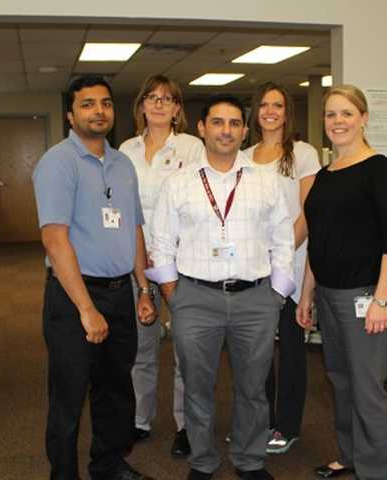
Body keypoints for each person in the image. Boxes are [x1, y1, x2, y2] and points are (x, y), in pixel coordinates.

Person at [147, 93, 295, 480]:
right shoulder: (178, 183)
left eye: (233, 123)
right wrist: (173, 296)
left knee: (253, 388)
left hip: (255, 298)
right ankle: (203, 462)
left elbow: (283, 240)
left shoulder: (266, 182)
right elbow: (160, 243)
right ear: (201, 128)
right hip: (194, 298)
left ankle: (249, 460)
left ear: (244, 131)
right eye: (217, 122)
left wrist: (276, 294)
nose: (225, 131)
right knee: (197, 387)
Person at [33, 74, 157, 480]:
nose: (99, 110)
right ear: (71, 114)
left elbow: (133, 229)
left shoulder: (123, 164)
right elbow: (54, 239)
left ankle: (107, 466)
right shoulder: (57, 162)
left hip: (122, 292)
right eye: (87, 104)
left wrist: (143, 289)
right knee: (69, 397)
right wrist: (86, 309)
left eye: (105, 103)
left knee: (115, 391)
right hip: (75, 298)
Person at [297, 85, 387, 480]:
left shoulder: (380, 169)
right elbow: (318, 240)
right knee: (340, 382)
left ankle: (374, 472)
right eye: (330, 114)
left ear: (363, 118)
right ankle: (350, 456)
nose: (337, 122)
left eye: (346, 113)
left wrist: (381, 300)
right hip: (327, 293)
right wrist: (306, 294)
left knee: (367, 388)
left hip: (364, 295)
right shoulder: (325, 176)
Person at [119, 74, 204, 457]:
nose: (157, 104)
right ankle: (139, 420)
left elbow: (202, 203)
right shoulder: (125, 150)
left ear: (176, 109)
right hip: (138, 261)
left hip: (181, 262)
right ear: (141, 106)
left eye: (166, 99)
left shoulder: (192, 147)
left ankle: (186, 425)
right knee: (141, 345)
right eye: (150, 97)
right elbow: (122, 210)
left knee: (186, 349)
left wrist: (169, 248)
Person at [244, 81, 321, 454]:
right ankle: (259, 421)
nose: (270, 111)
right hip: (252, 268)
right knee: (256, 351)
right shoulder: (243, 156)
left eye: (278, 105)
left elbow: (309, 213)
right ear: (255, 111)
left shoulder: (303, 154)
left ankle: (286, 426)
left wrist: (279, 253)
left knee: (290, 349)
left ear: (287, 112)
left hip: (291, 264)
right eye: (264, 104)